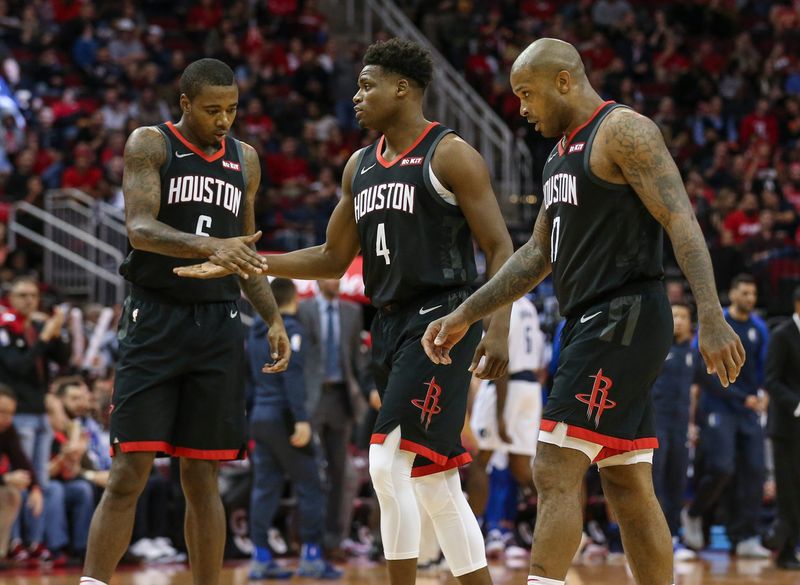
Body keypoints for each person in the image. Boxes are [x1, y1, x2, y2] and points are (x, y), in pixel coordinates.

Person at [176, 38, 514, 585]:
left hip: (443, 319)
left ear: (402, 89)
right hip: (387, 323)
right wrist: (250, 262)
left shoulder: (450, 154)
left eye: (366, 85)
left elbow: (501, 249)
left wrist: (496, 330)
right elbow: (333, 257)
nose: (356, 97)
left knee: (386, 462)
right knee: (432, 480)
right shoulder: (360, 166)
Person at [421, 38, 745, 585]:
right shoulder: (556, 155)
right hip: (589, 321)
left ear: (565, 81)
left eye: (528, 93)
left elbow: (681, 219)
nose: (521, 108)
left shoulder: (624, 130)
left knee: (552, 464)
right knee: (626, 481)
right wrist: (465, 316)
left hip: (624, 314)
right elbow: (537, 255)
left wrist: (709, 313)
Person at [78, 58, 291, 585]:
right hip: (154, 317)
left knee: (203, 474)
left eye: (233, 109)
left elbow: (244, 251)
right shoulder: (150, 143)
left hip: (218, 324)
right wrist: (206, 243)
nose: (224, 120)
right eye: (213, 109)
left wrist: (272, 318)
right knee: (129, 470)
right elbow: (140, 228)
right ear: (186, 104)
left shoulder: (246, 159)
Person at [247, 277, 341, 580]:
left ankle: (260, 557)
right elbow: (292, 376)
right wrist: (301, 418)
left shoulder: (253, 332)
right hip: (286, 418)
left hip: (259, 416)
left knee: (264, 488)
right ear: (294, 299)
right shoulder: (293, 331)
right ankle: (312, 555)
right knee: (311, 485)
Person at [681, 274, 769, 558]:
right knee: (721, 468)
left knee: (754, 471)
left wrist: (763, 392)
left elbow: (765, 367)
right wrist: (742, 396)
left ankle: (745, 536)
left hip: (749, 409)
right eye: (745, 293)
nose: (750, 299)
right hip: (718, 405)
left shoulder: (759, 328)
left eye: (753, 294)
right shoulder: (716, 326)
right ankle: (693, 514)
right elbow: (702, 372)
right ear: (732, 294)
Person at [297, 278, 368, 557]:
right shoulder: (303, 309)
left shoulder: (352, 312)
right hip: (311, 398)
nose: (335, 280)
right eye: (330, 274)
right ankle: (307, 539)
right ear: (317, 278)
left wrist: (367, 391)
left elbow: (357, 360)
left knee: (342, 473)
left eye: (339, 275)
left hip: (341, 397)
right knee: (310, 471)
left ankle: (333, 540)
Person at [468, 295, 544, 559]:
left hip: (505, 384)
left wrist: (500, 414)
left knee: (481, 459)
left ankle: (474, 534)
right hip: (530, 388)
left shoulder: (498, 303)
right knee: (522, 467)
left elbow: (501, 357)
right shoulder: (529, 306)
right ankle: (561, 511)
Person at [650, 302, 697, 561]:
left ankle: (674, 536)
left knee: (676, 479)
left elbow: (696, 391)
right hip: (657, 422)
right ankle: (655, 538)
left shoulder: (693, 352)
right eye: (674, 315)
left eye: (683, 316)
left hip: (681, 425)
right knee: (656, 480)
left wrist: (692, 423)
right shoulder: (656, 347)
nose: (678, 321)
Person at [764, 285, 800, 570]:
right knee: (788, 491)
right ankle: (783, 550)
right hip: (786, 427)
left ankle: (788, 544)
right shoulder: (782, 335)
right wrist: (797, 404)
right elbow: (772, 380)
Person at [0, 385, 43, 565]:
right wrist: (5, 479)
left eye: (10, 413)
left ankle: (1, 554)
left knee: (11, 495)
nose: (6, 419)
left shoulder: (7, 430)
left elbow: (22, 461)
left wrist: (35, 487)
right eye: (1, 412)